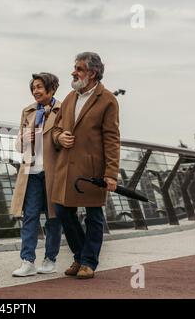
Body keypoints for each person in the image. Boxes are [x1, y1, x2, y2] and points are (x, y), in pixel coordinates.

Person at [52, 52, 120, 279]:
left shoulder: (108, 99)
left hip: (92, 170)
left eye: (79, 69)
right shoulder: (70, 97)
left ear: (91, 73)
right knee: (63, 210)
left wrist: (111, 173)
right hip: (67, 168)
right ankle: (80, 255)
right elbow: (56, 129)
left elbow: (112, 138)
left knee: (93, 215)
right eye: (75, 68)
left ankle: (88, 262)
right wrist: (59, 138)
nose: (74, 72)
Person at [10, 72, 64, 277]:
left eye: (40, 87)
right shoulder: (28, 111)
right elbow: (17, 145)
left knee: (53, 218)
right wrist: (24, 137)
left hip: (53, 172)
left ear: (51, 89)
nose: (36, 91)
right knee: (30, 216)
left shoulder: (63, 110)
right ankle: (27, 261)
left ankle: (50, 259)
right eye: (33, 88)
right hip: (31, 171)